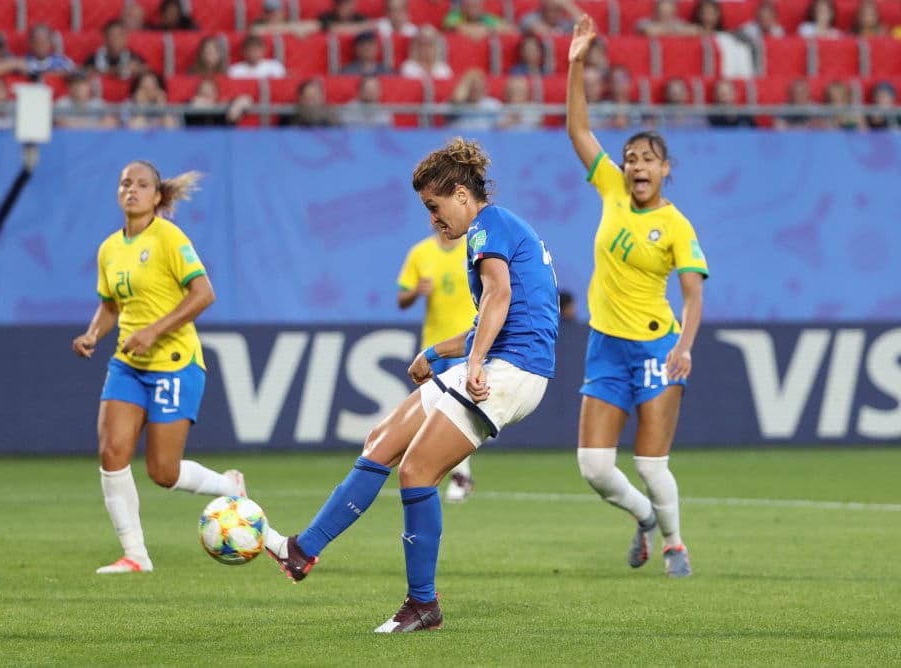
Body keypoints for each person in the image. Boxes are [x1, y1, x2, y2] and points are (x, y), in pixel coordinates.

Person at [264, 137, 560, 632]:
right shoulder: (495, 229)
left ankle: (423, 604)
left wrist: (476, 362)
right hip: (503, 359)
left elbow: (500, 295)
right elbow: (495, 313)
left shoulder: (490, 226)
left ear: (462, 195)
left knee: (416, 471)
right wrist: (436, 353)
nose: (432, 220)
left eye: (435, 206)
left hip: (515, 370)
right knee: (382, 441)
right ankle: (302, 550)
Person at [566, 15, 709, 578]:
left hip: (657, 348)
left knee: (651, 463)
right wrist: (576, 61)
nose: (637, 166)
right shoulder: (611, 190)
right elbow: (579, 131)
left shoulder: (677, 226)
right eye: (631, 158)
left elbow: (693, 296)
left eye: (648, 159)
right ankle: (647, 518)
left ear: (665, 170)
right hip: (606, 346)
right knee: (595, 467)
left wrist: (686, 348)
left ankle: (675, 543)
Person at [72, 161, 246, 574]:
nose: (131, 189)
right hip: (128, 364)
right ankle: (135, 555)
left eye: (141, 184)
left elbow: (204, 294)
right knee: (112, 451)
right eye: (124, 183)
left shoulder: (168, 236)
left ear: (156, 196)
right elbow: (111, 303)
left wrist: (153, 331)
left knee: (162, 472)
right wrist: (93, 333)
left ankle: (228, 486)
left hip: (174, 362)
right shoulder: (109, 248)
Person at [396, 224, 479, 504]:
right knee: (435, 414)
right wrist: (416, 291)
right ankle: (459, 474)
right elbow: (402, 298)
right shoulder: (420, 253)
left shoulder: (474, 245)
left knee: (458, 410)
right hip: (433, 347)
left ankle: (460, 475)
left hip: (467, 342)